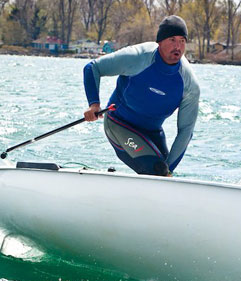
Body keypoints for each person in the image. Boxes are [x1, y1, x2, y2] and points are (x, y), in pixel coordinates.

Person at [82, 15, 200, 176]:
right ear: (160, 41)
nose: (177, 46)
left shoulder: (189, 84)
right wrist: (94, 104)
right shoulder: (137, 57)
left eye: (182, 41)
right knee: (158, 170)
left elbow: (186, 131)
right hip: (119, 124)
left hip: (152, 133)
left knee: (165, 173)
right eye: (172, 39)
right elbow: (92, 68)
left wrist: (169, 170)